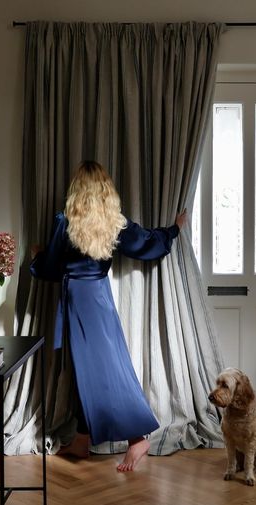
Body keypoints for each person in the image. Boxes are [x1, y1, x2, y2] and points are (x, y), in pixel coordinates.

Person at [30, 160, 187, 472]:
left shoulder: (66, 221)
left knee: (107, 371)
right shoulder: (114, 222)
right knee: (85, 370)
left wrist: (36, 258)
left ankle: (137, 438)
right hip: (95, 297)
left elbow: (50, 265)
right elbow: (146, 243)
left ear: (77, 189)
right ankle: (82, 438)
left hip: (79, 298)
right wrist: (173, 230)